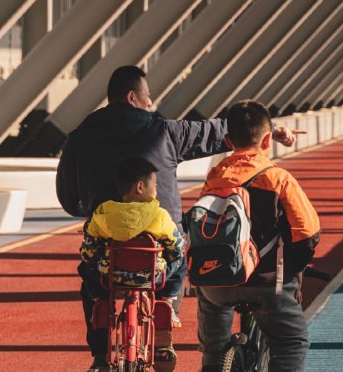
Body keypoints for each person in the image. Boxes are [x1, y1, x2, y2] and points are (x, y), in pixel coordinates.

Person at [56, 66, 301, 372]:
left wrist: (94, 209)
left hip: (108, 245)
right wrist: (271, 131)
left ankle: (100, 354)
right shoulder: (164, 131)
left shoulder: (79, 137)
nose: (150, 103)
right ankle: (165, 316)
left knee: (91, 279)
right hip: (157, 245)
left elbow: (68, 198)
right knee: (178, 258)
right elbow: (217, 132)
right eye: (147, 97)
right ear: (132, 98)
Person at [195, 100, 321, 372]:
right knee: (291, 343)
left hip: (215, 280)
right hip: (265, 281)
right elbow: (307, 234)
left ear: (228, 141)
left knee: (213, 349)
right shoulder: (278, 179)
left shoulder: (214, 177)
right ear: (267, 140)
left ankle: (214, 362)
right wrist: (291, 270)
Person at [78, 156, 185, 371]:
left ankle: (99, 301)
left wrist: (92, 261)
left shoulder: (103, 213)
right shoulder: (159, 215)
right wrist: (170, 258)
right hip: (151, 276)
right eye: (155, 186)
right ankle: (168, 303)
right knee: (181, 261)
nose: (156, 191)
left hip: (111, 276)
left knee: (85, 266)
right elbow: (176, 247)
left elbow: (89, 250)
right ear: (140, 187)